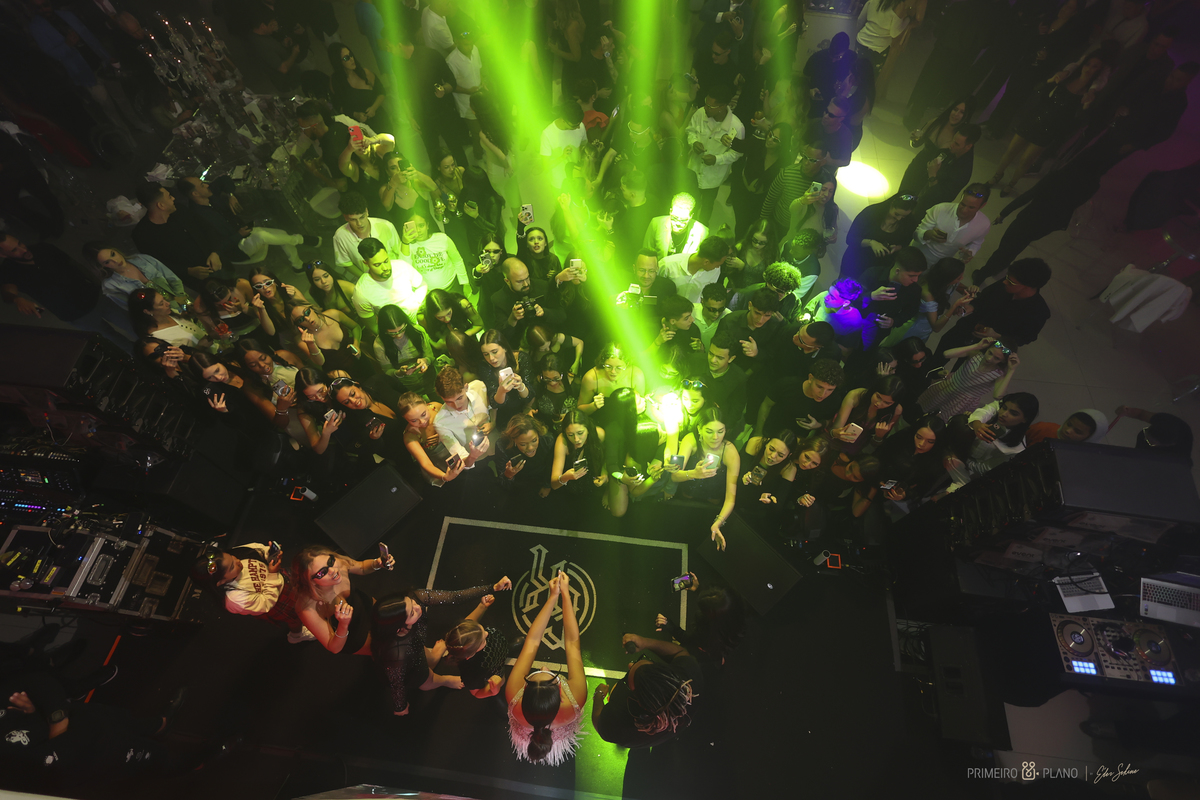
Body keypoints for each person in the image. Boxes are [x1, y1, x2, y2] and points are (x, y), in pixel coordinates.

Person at [371, 577, 512, 716]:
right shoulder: (397, 654)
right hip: (409, 665)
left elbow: (454, 596)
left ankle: (433, 657)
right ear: (400, 628)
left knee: (424, 654)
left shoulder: (416, 599)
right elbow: (396, 682)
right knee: (427, 678)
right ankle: (445, 680)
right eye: (412, 612)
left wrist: (493, 587)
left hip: (416, 644)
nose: (418, 606)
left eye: (411, 602)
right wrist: (400, 706)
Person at [506, 571, 586, 766]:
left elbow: (532, 641)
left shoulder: (513, 695)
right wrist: (565, 595)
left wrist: (553, 597)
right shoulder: (576, 699)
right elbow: (572, 644)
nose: (543, 666)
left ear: (524, 690)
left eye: (538, 672)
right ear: (560, 693)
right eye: (550, 675)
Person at [1, 234, 134, 346]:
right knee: (112, 338)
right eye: (14, 250)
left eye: (20, 243)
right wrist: (17, 299)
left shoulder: (43, 248)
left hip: (94, 295)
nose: (23, 249)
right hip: (75, 315)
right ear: (2, 254)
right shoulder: (9, 271)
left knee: (131, 324)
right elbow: (7, 293)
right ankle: (140, 358)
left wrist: (99, 285)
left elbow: (74, 265)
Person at [181, 177, 319, 270]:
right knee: (262, 236)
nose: (207, 185)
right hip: (236, 250)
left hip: (244, 232)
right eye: (202, 185)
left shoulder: (210, 193)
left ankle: (297, 266)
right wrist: (238, 235)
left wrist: (230, 195)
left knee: (282, 234)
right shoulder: (200, 217)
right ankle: (302, 239)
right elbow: (216, 246)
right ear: (195, 194)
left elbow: (224, 179)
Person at [593, 633, 702, 748]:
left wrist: (598, 695)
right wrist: (645, 642)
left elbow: (598, 722)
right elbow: (680, 652)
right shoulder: (691, 679)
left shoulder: (617, 724)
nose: (630, 664)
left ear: (637, 699)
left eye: (627, 680)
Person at [190, 545, 312, 643]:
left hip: (281, 578)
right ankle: (296, 636)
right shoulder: (235, 598)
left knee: (302, 588)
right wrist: (272, 574)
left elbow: (256, 549)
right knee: (295, 618)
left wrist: (269, 552)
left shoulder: (238, 556)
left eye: (231, 556)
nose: (237, 561)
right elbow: (265, 603)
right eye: (232, 567)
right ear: (221, 582)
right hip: (277, 601)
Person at [292, 545, 395, 656]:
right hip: (355, 635)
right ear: (309, 582)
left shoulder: (338, 563)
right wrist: (343, 624)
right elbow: (334, 647)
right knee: (388, 650)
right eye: (322, 573)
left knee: (397, 623)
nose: (333, 570)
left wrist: (377, 563)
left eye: (330, 561)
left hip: (366, 606)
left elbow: (362, 567)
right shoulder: (307, 607)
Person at [935, 258, 1051, 355]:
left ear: (1028, 287)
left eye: (1011, 282)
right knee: (941, 353)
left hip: (988, 348)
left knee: (964, 370)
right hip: (967, 328)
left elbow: (1025, 338)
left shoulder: (1039, 312)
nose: (1005, 282)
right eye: (1007, 278)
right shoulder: (1006, 283)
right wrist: (972, 307)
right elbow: (983, 298)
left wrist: (997, 336)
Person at [132, 184, 230, 290]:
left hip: (219, 263)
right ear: (161, 205)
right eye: (169, 197)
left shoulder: (180, 210)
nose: (173, 198)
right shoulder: (142, 234)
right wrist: (188, 271)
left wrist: (215, 252)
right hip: (196, 281)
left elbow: (208, 229)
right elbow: (158, 264)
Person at [673, 408, 740, 550]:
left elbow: (730, 498)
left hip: (713, 503)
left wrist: (718, 523)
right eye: (709, 431)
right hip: (686, 497)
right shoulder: (690, 440)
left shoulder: (730, 451)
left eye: (720, 431)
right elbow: (674, 476)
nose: (715, 437)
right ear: (699, 429)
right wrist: (693, 474)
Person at [685, 83, 744, 224]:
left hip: (713, 177)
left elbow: (736, 153)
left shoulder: (737, 127)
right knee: (689, 203)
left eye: (710, 106)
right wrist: (694, 142)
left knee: (707, 206)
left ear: (722, 107)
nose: (705, 108)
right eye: (706, 103)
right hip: (693, 169)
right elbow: (691, 131)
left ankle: (702, 227)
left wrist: (717, 159)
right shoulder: (700, 113)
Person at [918, 337, 1020, 420]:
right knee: (924, 407)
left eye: (997, 358)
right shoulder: (977, 354)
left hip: (962, 401)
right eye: (990, 353)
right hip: (948, 386)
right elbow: (947, 354)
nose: (989, 359)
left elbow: (997, 396)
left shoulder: (999, 374)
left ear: (1003, 361)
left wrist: (1011, 370)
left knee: (941, 420)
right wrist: (977, 346)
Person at [898, 124, 981, 215]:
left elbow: (941, 198)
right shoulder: (950, 151)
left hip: (925, 209)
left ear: (968, 146)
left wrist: (932, 175)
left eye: (957, 144)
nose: (951, 144)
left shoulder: (963, 171)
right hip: (916, 194)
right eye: (953, 139)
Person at [755, 357, 845, 439]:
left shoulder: (834, 400)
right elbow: (766, 405)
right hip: (769, 432)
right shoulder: (787, 384)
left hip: (795, 441)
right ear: (810, 378)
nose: (822, 394)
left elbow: (829, 420)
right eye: (819, 387)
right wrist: (758, 433)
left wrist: (818, 425)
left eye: (830, 389)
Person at [83, 242, 187, 313]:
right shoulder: (111, 286)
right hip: (164, 315)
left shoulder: (142, 259)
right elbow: (134, 309)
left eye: (113, 254)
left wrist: (181, 296)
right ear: (102, 267)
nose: (115, 261)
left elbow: (172, 277)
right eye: (107, 262)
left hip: (182, 300)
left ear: (115, 250)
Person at [759, 137, 834, 234]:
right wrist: (762, 223)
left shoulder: (826, 180)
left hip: (803, 229)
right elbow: (770, 198)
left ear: (823, 162)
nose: (806, 163)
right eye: (805, 157)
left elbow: (827, 206)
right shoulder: (788, 172)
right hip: (779, 223)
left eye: (812, 160)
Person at [443, 597, 510, 699]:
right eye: (482, 640)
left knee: (503, 649)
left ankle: (507, 649)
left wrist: (482, 606)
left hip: (497, 646)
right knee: (501, 678)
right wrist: (493, 691)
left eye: (481, 628)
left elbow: (470, 621)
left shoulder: (466, 633)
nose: (487, 633)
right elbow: (476, 693)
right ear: (471, 654)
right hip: (492, 668)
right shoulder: (471, 673)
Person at [841, 193, 919, 280]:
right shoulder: (871, 212)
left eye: (904, 216)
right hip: (854, 262)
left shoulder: (909, 223)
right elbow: (850, 239)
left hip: (878, 270)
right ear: (892, 204)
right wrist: (871, 243)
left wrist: (897, 248)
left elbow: (905, 244)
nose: (899, 219)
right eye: (897, 214)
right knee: (845, 287)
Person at [911, 185, 991, 267]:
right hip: (917, 255)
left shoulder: (984, 224)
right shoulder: (940, 209)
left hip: (943, 263)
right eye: (962, 204)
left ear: (983, 205)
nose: (964, 210)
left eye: (971, 207)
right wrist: (927, 234)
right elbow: (916, 234)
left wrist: (970, 252)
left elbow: (976, 243)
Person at [898, 257, 973, 343]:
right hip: (915, 329)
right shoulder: (928, 295)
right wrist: (954, 306)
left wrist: (970, 290)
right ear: (948, 278)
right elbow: (936, 327)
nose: (962, 279)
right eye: (958, 278)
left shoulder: (933, 279)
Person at [353, 238, 429, 321]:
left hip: (417, 317)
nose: (385, 268)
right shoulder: (362, 292)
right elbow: (372, 325)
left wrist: (417, 304)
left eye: (386, 261)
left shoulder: (401, 266)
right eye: (377, 265)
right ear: (366, 263)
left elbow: (421, 284)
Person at [828, 374, 904, 455]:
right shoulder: (857, 395)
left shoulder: (896, 411)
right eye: (878, 397)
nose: (878, 403)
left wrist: (879, 436)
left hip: (854, 449)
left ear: (894, 403)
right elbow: (835, 428)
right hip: (834, 440)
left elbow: (874, 445)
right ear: (874, 390)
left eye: (887, 403)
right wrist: (835, 433)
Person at [433, 365, 494, 465]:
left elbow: (493, 407)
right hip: (477, 462)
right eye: (449, 402)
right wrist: (473, 456)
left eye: (459, 398)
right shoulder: (440, 422)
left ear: (466, 387)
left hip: (497, 443)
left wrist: (493, 422)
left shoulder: (479, 387)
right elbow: (462, 460)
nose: (456, 405)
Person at [334, 192, 403, 280]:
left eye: (362, 217)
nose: (359, 223)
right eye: (353, 220)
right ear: (346, 218)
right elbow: (345, 263)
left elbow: (400, 253)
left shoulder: (386, 226)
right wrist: (366, 278)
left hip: (395, 275)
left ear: (367, 211)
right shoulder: (340, 236)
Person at [966, 392, 1039, 473]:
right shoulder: (997, 411)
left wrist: (962, 459)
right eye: (1004, 408)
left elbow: (983, 469)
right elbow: (985, 411)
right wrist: (977, 424)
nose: (1004, 414)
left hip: (968, 469)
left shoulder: (1017, 449)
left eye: (1013, 413)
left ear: (1025, 419)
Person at [329, 43, 389, 132]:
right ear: (338, 62)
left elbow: (381, 92)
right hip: (359, 127)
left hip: (380, 120)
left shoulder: (365, 73)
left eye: (351, 55)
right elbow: (338, 106)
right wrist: (355, 114)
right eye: (346, 58)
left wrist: (373, 108)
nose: (351, 59)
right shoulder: (336, 81)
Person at [550, 409, 607, 500]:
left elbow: (607, 459)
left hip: (595, 489)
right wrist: (565, 478)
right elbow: (554, 484)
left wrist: (605, 475)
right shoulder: (562, 440)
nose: (576, 439)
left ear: (588, 429)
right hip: (569, 494)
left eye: (580, 433)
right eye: (570, 434)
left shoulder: (598, 434)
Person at [659, 236, 731, 304]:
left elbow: (705, 296)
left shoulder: (714, 271)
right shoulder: (667, 265)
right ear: (706, 262)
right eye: (717, 265)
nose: (718, 267)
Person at [855, 0, 920, 75]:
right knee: (869, 76)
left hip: (862, 40)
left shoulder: (873, 1)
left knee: (854, 71)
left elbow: (860, 20)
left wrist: (859, 36)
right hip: (879, 48)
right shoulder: (898, 6)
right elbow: (894, 33)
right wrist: (907, 20)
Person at [126, 289, 206, 348]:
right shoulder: (156, 339)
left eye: (164, 299)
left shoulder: (172, 313)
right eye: (161, 304)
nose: (168, 303)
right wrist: (201, 347)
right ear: (148, 311)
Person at [643, 193, 711, 261]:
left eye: (683, 220)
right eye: (674, 218)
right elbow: (645, 254)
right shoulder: (656, 223)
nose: (678, 223)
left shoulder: (701, 232)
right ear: (670, 211)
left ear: (691, 216)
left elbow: (700, 261)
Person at [1119, 406, 1194, 463]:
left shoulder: (1177, 458)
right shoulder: (1166, 421)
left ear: (1167, 445)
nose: (1145, 439)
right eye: (1146, 431)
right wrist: (1126, 411)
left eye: (1150, 442)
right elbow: (1141, 414)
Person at [540, 102, 587, 189]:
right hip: (559, 183)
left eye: (579, 124)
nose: (578, 127)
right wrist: (562, 156)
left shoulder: (580, 126)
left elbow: (584, 145)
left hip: (578, 180)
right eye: (574, 126)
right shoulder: (548, 134)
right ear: (563, 120)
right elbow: (546, 166)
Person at [306, 260, 362, 324]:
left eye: (326, 276)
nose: (323, 281)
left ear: (331, 274)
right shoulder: (314, 292)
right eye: (317, 279)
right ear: (312, 281)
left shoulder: (348, 288)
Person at [1026, 408, 1109, 447]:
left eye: (1077, 432)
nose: (1068, 431)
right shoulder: (1043, 428)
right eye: (1069, 424)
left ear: (1090, 438)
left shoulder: (1083, 459)